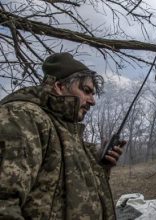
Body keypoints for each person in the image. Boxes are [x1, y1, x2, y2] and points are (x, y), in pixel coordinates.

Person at [0, 53, 125, 219]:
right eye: (86, 91)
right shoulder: (23, 116)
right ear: (59, 86)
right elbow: (4, 202)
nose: (92, 101)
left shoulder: (66, 131)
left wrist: (101, 166)